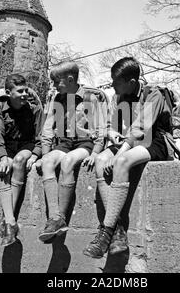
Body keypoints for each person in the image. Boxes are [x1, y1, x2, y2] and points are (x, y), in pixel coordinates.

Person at [83, 57, 174, 258]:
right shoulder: (119, 98)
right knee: (100, 161)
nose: (112, 85)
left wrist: (120, 152)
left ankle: (106, 231)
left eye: (116, 81)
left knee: (122, 162)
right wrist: (110, 133)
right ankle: (118, 232)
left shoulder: (153, 93)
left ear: (131, 82)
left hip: (154, 140)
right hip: (129, 141)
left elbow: (142, 127)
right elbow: (112, 125)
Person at [38, 61, 106, 243]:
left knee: (68, 162)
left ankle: (61, 216)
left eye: (56, 82)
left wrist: (95, 153)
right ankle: (55, 218)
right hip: (64, 143)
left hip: (85, 144)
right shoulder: (56, 99)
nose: (53, 86)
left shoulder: (90, 98)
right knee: (47, 163)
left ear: (69, 80)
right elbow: (47, 129)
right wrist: (45, 154)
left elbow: (100, 129)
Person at [0, 73, 43, 246]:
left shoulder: (34, 108)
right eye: (19, 91)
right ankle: (11, 223)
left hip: (26, 146)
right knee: (5, 167)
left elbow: (41, 136)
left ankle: (7, 221)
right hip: (6, 148)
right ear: (8, 92)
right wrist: (3, 157)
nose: (24, 94)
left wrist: (35, 154)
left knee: (19, 160)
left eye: (25, 90)